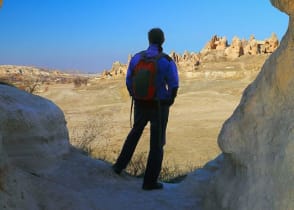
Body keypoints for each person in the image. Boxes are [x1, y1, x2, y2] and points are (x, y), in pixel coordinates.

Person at [112, 28, 179, 190]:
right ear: (163, 40)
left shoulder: (136, 58)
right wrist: (169, 101)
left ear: (149, 40)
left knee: (135, 133)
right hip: (159, 105)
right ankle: (149, 182)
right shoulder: (167, 61)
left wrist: (135, 95)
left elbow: (129, 80)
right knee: (157, 144)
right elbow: (174, 84)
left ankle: (118, 167)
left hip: (140, 103)